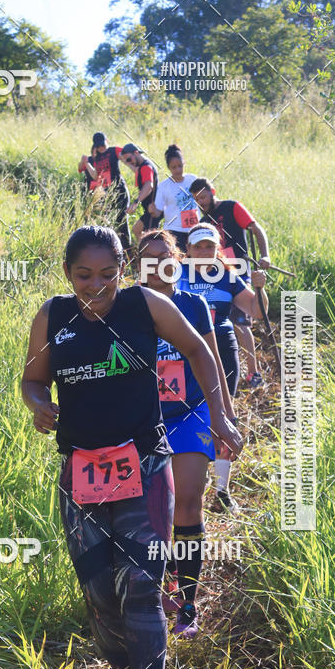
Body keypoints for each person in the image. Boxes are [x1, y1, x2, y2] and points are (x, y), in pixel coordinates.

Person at [21, 225, 242, 669]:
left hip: (144, 466)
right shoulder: (53, 317)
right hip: (81, 475)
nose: (95, 287)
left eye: (106, 274)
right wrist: (38, 405)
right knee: (101, 599)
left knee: (141, 587)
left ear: (123, 267)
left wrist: (221, 416)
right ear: (67, 273)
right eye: (82, 276)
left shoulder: (147, 304)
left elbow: (199, 351)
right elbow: (30, 380)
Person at [137, 229, 236, 638]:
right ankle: (164, 585)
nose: (158, 264)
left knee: (189, 501)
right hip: (144, 419)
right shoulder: (129, 306)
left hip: (191, 413)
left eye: (165, 256)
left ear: (177, 258)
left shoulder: (193, 304)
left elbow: (209, 359)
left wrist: (225, 417)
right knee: (155, 511)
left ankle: (189, 603)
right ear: (138, 265)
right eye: (149, 258)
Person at [177, 222, 268, 513]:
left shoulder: (229, 277)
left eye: (209, 246)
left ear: (218, 249)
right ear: (187, 250)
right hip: (184, 351)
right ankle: (188, 481)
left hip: (223, 350)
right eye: (198, 246)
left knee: (223, 414)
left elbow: (256, 310)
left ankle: (222, 491)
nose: (204, 251)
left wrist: (259, 288)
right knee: (188, 412)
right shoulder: (174, 274)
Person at [190, 177, 271, 388]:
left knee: (240, 322)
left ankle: (253, 373)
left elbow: (256, 229)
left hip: (237, 272)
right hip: (211, 272)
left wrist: (265, 255)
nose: (201, 202)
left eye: (204, 197)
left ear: (212, 191)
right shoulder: (204, 219)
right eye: (197, 200)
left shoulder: (232, 207)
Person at [78, 133, 131, 254]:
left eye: (103, 144)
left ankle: (128, 252)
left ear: (107, 140)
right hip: (104, 194)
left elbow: (127, 159)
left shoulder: (113, 151)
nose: (102, 147)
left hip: (119, 191)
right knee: (106, 222)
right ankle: (111, 251)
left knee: (122, 222)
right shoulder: (94, 158)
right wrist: (85, 161)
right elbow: (87, 171)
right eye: (99, 146)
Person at [149, 144, 199, 253]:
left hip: (194, 229)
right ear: (168, 168)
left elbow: (204, 200)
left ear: (184, 163)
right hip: (174, 230)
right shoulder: (164, 186)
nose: (178, 170)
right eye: (174, 167)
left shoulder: (193, 180)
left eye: (180, 166)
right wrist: (153, 210)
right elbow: (158, 213)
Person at [119, 143, 162, 243]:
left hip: (153, 210)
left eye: (129, 159)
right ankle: (144, 253)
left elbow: (149, 186)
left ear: (136, 153)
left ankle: (149, 255)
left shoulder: (146, 167)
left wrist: (136, 202)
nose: (129, 162)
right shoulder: (143, 165)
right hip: (150, 210)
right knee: (136, 230)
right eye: (127, 161)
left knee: (152, 240)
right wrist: (125, 162)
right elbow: (136, 170)